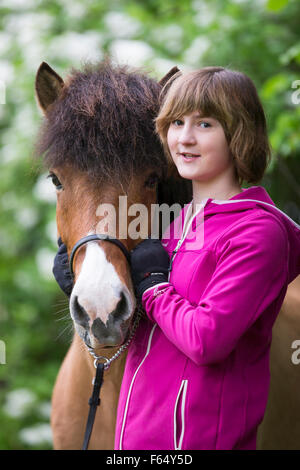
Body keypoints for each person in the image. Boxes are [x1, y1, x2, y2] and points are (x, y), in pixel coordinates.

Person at [53, 66, 300, 450]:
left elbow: (205, 339)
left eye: (204, 124)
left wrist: (151, 288)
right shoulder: (172, 226)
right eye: (176, 122)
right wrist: (89, 271)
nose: (184, 138)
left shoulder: (257, 233)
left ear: (239, 135)